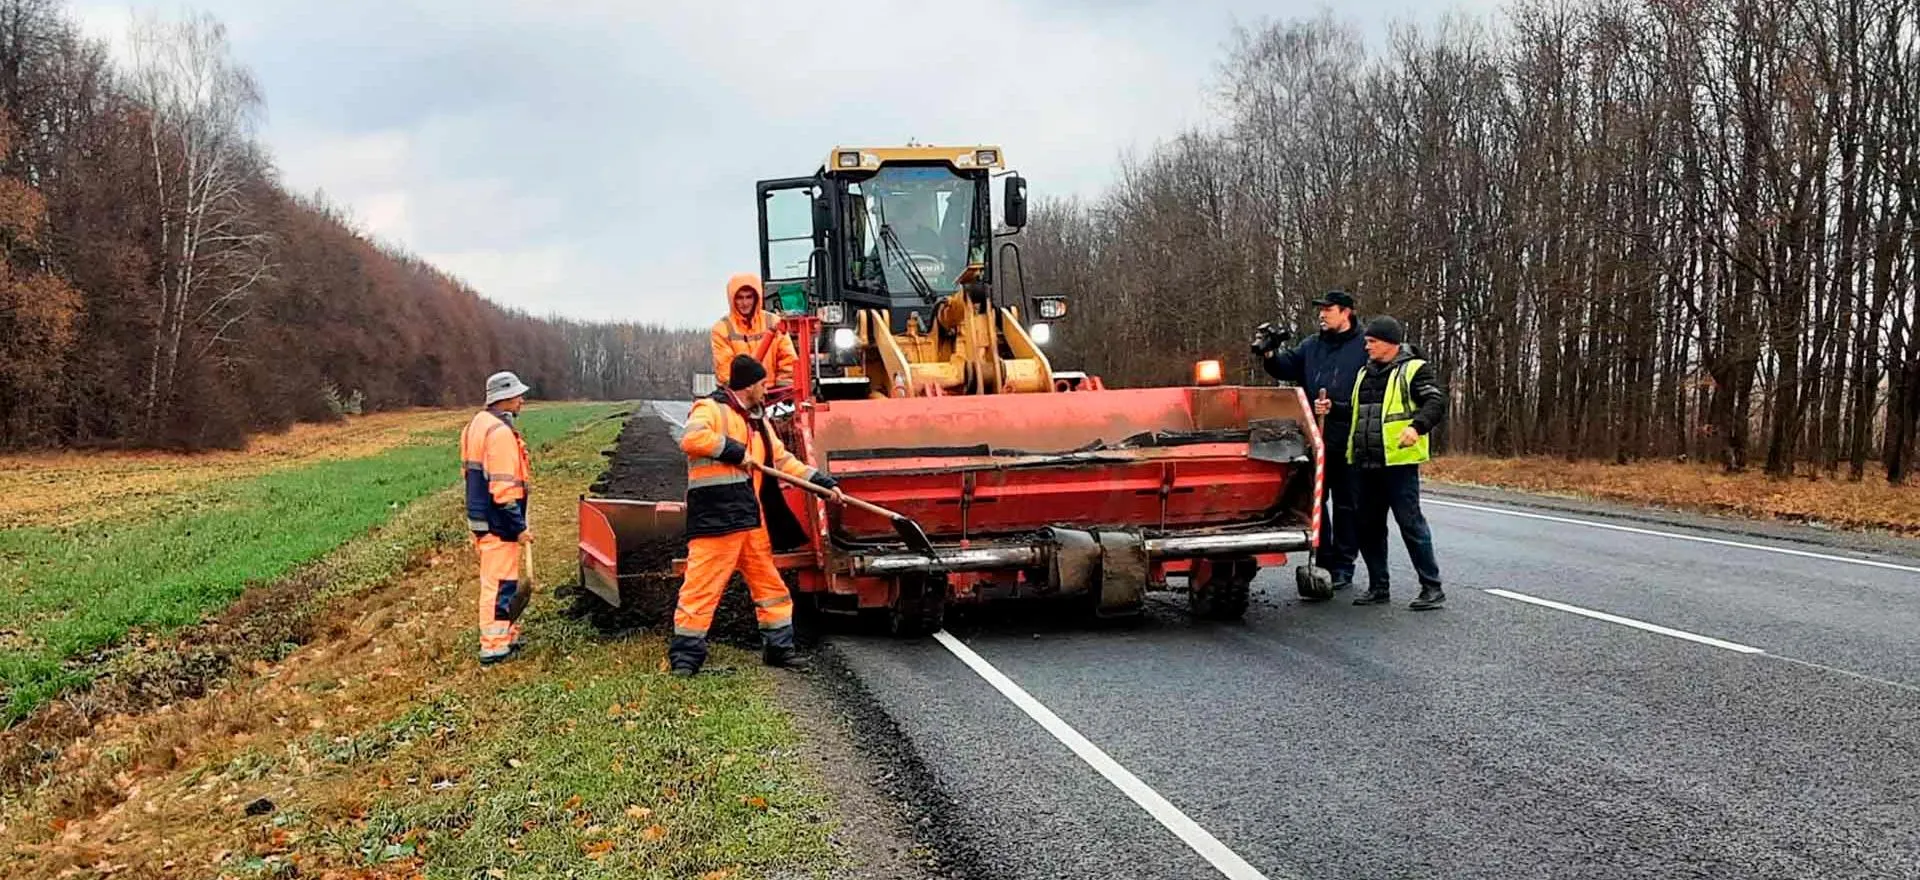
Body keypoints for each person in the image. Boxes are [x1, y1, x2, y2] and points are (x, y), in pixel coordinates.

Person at [669, 354, 843, 676]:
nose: (767, 390)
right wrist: (736, 452)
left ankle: (779, 649)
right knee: (701, 590)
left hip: (750, 520)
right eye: (763, 384)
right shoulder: (710, 409)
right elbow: (692, 438)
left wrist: (820, 483)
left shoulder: (758, 422)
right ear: (749, 385)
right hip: (717, 521)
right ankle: (685, 662)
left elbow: (783, 461)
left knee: (771, 588)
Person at [1251, 291, 1369, 594]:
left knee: (1348, 505)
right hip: (1315, 438)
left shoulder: (1363, 348)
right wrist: (1269, 353)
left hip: (1349, 439)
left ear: (1346, 313)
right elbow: (1285, 367)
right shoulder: (1312, 346)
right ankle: (1324, 561)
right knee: (1317, 503)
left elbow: (1371, 391)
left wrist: (1340, 408)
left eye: (1328, 310)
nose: (1322, 315)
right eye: (1320, 310)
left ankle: (1344, 565)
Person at [1346, 316, 1447, 610]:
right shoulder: (1364, 373)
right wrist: (1333, 408)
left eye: (1372, 341)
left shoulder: (1414, 369)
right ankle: (1379, 586)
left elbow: (1436, 402)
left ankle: (1432, 587)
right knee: (1368, 526)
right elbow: (1360, 412)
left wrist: (1416, 427)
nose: (1366, 346)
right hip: (1366, 463)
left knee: (1410, 524)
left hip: (1398, 464)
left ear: (1390, 343)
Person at [461, 370, 534, 664]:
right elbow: (503, 489)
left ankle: (506, 633)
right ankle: (493, 645)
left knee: (504, 580)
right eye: (518, 395)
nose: (522, 400)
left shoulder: (475, 426)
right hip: (498, 521)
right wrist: (519, 527)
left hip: (482, 517)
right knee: (499, 584)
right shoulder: (500, 433)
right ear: (504, 398)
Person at [711, 272, 798, 390]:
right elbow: (725, 370)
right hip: (739, 395)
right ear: (732, 299)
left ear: (756, 297)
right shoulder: (721, 329)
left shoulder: (774, 322)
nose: (745, 303)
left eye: (749, 297)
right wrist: (745, 394)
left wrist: (783, 390)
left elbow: (788, 360)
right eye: (740, 298)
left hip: (772, 393)